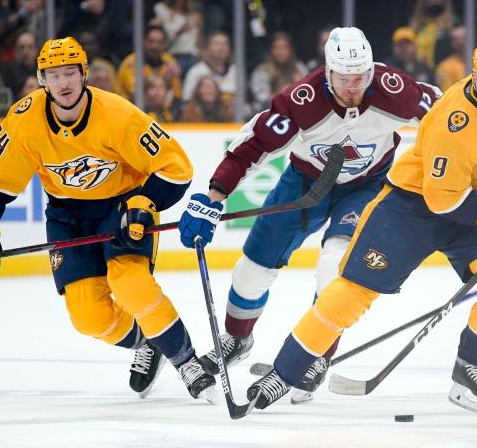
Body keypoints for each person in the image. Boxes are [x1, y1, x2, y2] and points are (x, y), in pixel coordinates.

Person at [240, 34, 477, 415]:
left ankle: (470, 369)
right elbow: (443, 197)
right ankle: (283, 373)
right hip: (411, 207)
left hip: (467, 206)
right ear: (475, 75)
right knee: (351, 292)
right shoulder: (454, 120)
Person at [177, 27, 442, 404]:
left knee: (334, 267)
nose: (353, 86)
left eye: (360, 77)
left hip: (366, 187)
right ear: (327, 72)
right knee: (252, 268)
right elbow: (252, 146)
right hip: (304, 184)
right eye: (343, 78)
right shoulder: (301, 100)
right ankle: (237, 338)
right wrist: (214, 194)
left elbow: (450, 115)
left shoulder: (393, 89)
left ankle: (317, 353)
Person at [0, 37, 216, 402]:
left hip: (121, 207)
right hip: (67, 215)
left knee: (130, 283)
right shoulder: (23, 120)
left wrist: (144, 202)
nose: (63, 83)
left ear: (84, 74)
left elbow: (176, 169)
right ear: (41, 78)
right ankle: (148, 341)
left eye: (70, 73)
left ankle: (185, 360)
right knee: (88, 317)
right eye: (53, 75)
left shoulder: (118, 114)